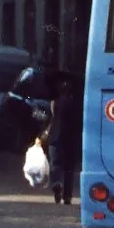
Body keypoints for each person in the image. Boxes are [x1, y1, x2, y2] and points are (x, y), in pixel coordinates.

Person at [47, 72, 81, 205]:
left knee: (55, 164)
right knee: (69, 168)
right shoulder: (77, 105)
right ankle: (67, 196)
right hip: (71, 138)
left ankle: (56, 183)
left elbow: (51, 120)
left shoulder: (54, 103)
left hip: (56, 137)